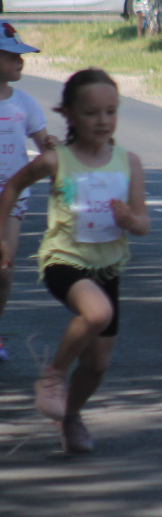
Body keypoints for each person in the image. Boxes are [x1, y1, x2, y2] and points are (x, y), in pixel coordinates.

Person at [0, 69, 150, 454]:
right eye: (91, 113)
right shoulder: (56, 160)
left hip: (108, 267)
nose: (102, 121)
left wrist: (131, 221)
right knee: (96, 313)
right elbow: (13, 185)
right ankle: (53, 376)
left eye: (110, 112)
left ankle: (71, 417)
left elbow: (143, 222)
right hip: (63, 260)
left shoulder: (128, 162)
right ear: (67, 114)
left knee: (98, 364)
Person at [0, 23, 56, 362]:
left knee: (4, 268)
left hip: (14, 195)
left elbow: (44, 146)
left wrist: (53, 148)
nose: (21, 63)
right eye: (12, 57)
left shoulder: (26, 104)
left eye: (22, 57)